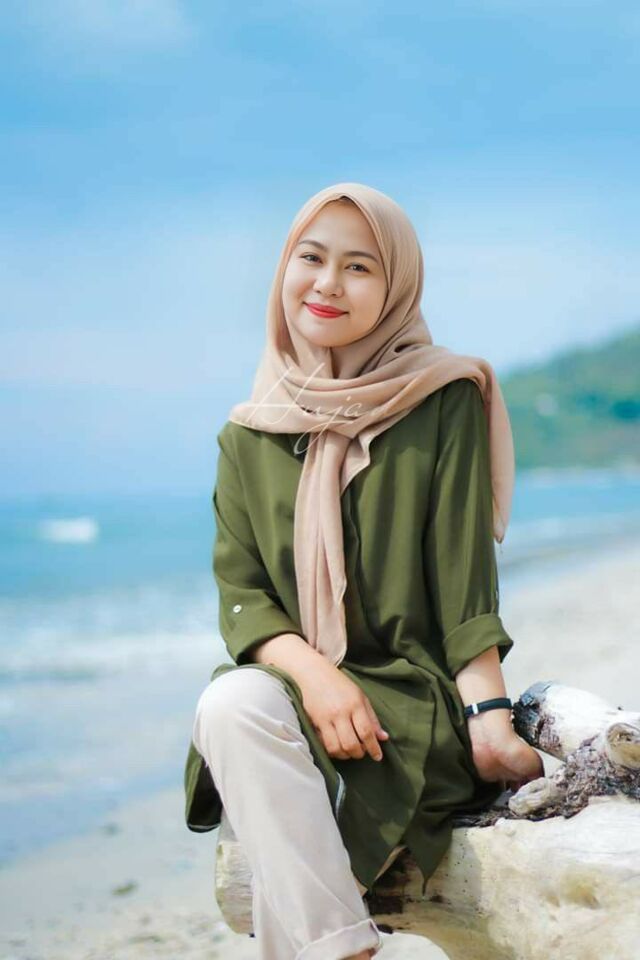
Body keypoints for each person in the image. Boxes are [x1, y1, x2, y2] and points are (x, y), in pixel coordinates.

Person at [184, 182, 544, 960]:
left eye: (359, 267)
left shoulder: (443, 397)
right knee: (228, 703)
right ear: (284, 269)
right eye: (311, 258)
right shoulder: (247, 436)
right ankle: (346, 948)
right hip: (301, 699)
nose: (327, 284)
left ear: (396, 287)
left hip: (405, 710)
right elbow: (245, 600)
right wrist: (318, 679)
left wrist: (491, 723)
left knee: (284, 844)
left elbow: (464, 588)